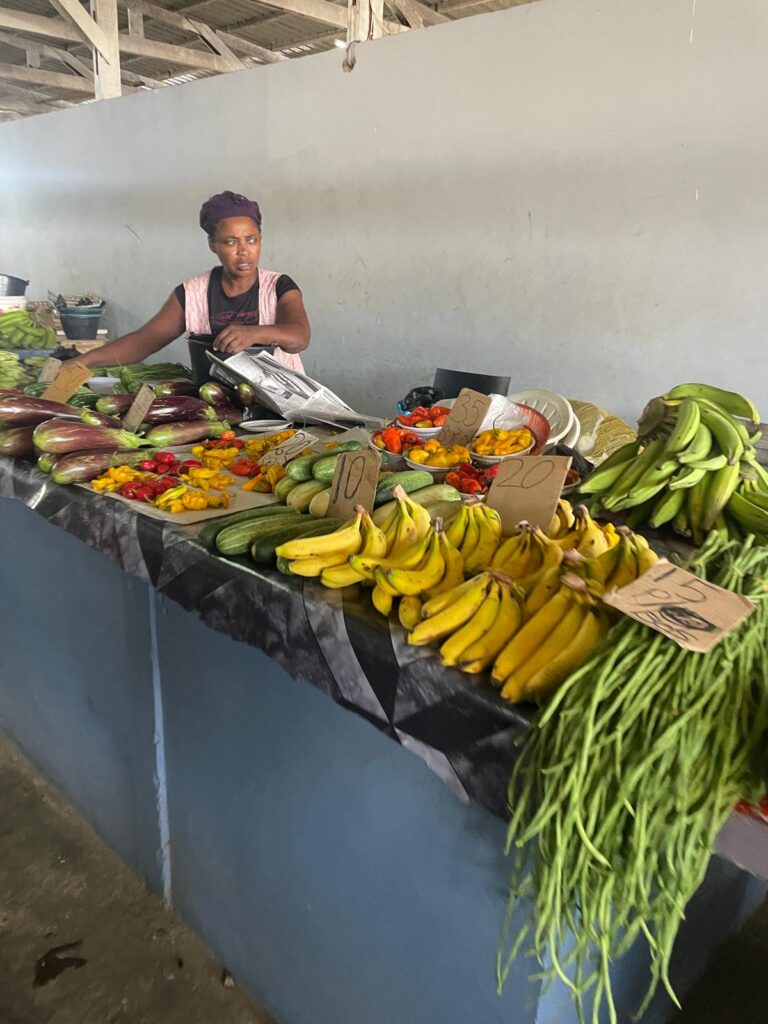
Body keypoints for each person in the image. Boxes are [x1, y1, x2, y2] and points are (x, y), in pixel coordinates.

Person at [79, 190, 310, 377]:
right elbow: (143, 341)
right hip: (218, 407)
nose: (244, 251)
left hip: (278, 411)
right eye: (230, 242)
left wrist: (255, 334)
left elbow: (299, 338)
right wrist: (83, 361)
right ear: (213, 244)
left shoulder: (279, 286)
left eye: (251, 240)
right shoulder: (192, 293)